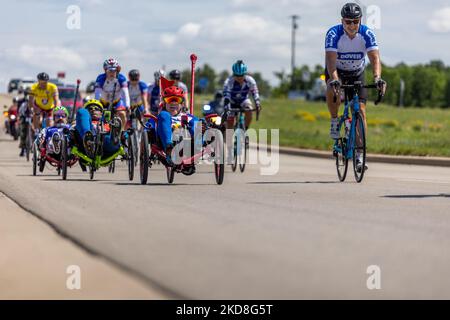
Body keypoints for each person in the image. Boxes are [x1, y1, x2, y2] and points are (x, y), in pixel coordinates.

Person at [325, 2, 387, 171]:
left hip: (357, 72)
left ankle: (359, 156)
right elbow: (330, 60)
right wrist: (335, 79)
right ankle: (334, 120)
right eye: (348, 21)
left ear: (360, 20)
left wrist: (377, 78)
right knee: (332, 88)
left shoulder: (367, 33)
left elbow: (375, 58)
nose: (352, 25)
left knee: (360, 110)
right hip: (337, 71)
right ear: (342, 21)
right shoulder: (333, 33)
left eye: (355, 21)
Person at [146, 86, 201, 169]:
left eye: (177, 100)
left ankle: (198, 145)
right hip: (165, 146)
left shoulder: (188, 117)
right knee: (164, 115)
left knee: (196, 121)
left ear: (182, 103)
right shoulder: (160, 117)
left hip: (188, 146)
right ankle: (169, 148)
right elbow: (148, 128)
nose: (173, 103)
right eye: (169, 100)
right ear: (164, 103)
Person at [222, 60, 261, 130]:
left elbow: (255, 92)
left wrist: (257, 103)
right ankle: (229, 138)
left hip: (244, 100)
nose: (239, 77)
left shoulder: (250, 80)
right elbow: (226, 95)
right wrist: (227, 106)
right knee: (230, 121)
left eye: (241, 75)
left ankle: (244, 129)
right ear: (233, 74)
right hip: (232, 102)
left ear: (245, 74)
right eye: (237, 75)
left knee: (249, 111)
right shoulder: (229, 81)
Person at [94, 58, 130, 135]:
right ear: (105, 70)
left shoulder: (121, 78)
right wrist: (97, 106)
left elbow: (125, 93)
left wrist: (127, 105)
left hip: (117, 102)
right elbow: (97, 94)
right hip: (104, 103)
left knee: (122, 114)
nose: (112, 73)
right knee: (100, 118)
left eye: (114, 70)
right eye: (110, 70)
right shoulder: (100, 78)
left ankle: (122, 133)